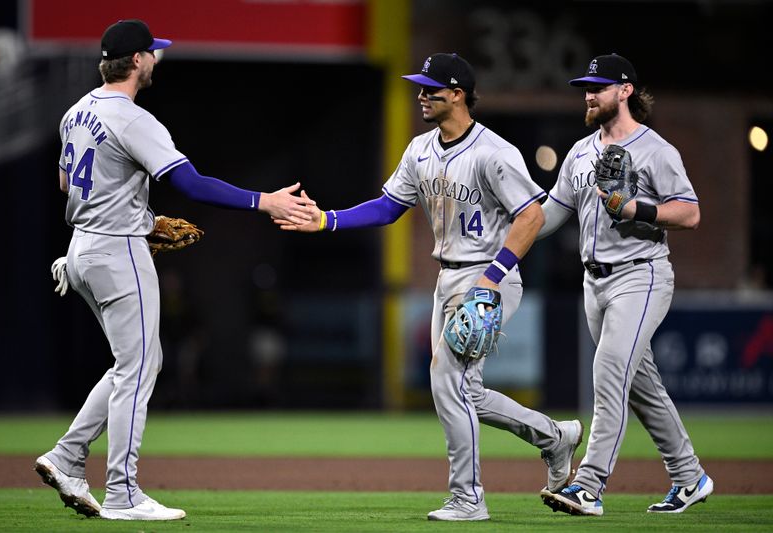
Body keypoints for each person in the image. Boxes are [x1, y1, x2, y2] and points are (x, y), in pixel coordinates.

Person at [275, 52, 582, 521]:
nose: (421, 95)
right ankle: (554, 438)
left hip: (490, 274)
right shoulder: (419, 149)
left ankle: (468, 498)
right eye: (420, 87)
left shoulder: (494, 152)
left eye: (430, 88)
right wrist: (327, 220)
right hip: (448, 276)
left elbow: (532, 215)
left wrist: (490, 281)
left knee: (446, 381)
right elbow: (386, 206)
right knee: (465, 391)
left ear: (457, 94)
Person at [35, 19, 313, 521]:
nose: (157, 59)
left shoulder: (75, 112)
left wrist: (134, 215)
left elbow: (64, 184)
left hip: (80, 248)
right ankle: (121, 492)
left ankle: (68, 456)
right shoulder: (134, 118)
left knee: (133, 364)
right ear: (138, 60)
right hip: (118, 250)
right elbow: (194, 184)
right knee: (139, 367)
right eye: (153, 53)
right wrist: (264, 201)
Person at [537, 54, 712, 516]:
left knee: (610, 370)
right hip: (593, 282)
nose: (589, 94)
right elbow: (554, 212)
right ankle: (690, 476)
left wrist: (636, 208)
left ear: (626, 91)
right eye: (585, 87)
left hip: (642, 273)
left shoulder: (657, 150)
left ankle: (589, 485)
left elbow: (690, 213)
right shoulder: (579, 152)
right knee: (641, 386)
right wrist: (511, 234)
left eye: (598, 86)